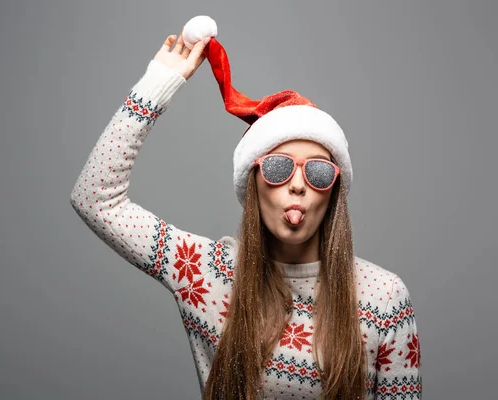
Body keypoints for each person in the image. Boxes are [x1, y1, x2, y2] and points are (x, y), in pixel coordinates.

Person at [70, 16, 422, 400]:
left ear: (334, 190)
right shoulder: (205, 275)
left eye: (318, 172)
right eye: (277, 167)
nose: (299, 185)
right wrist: (159, 83)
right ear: (253, 181)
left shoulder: (383, 297)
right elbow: (94, 198)